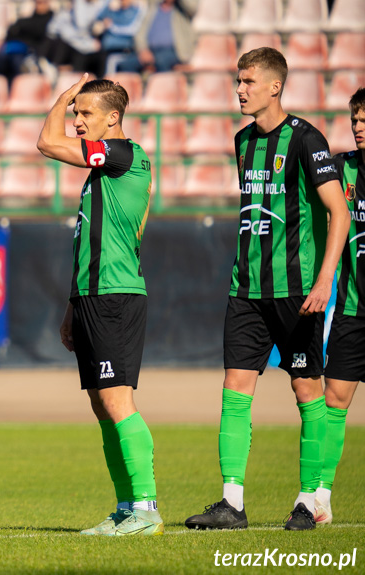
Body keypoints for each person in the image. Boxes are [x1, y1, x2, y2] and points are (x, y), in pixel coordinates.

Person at [184, 47, 349, 532]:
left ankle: (308, 501)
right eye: (238, 81)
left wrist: (323, 280)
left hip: (297, 293)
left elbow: (338, 212)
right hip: (247, 291)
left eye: (248, 82)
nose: (240, 89)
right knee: (236, 388)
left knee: (306, 391)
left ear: (274, 87)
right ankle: (230, 503)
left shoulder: (306, 139)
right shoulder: (241, 142)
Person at [37, 75, 161, 536]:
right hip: (91, 295)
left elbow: (47, 144)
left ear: (113, 118)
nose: (77, 120)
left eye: (85, 113)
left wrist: (64, 95)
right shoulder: (102, 168)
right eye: (75, 112)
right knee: (100, 404)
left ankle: (146, 508)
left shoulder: (123, 154)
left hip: (115, 294)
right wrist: (72, 306)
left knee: (116, 399)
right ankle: (127, 507)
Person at [317, 87, 365, 525]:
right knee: (335, 398)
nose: (359, 127)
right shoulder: (343, 168)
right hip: (353, 309)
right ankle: (321, 497)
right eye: (355, 119)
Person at [0, 0, 55, 86]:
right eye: (38, 2)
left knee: (18, 66)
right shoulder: (24, 20)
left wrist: (22, 33)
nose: (41, 3)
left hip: (28, 56)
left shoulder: (53, 21)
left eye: (44, 2)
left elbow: (42, 34)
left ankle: (15, 94)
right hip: (9, 53)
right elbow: (10, 33)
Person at [130, 0, 197, 73]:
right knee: (126, 64)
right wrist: (143, 50)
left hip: (174, 51)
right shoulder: (153, 8)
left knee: (160, 61)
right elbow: (140, 33)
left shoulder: (181, 10)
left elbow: (193, 8)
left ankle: (163, 83)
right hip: (150, 51)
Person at [45, 0, 106, 78]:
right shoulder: (71, 8)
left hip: (88, 46)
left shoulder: (100, 5)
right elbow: (80, 25)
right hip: (74, 46)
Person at [91, 0, 145, 75]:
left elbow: (132, 30)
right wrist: (108, 6)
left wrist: (111, 27)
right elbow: (98, 19)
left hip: (123, 49)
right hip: (105, 48)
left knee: (112, 62)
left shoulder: (136, 10)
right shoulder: (113, 9)